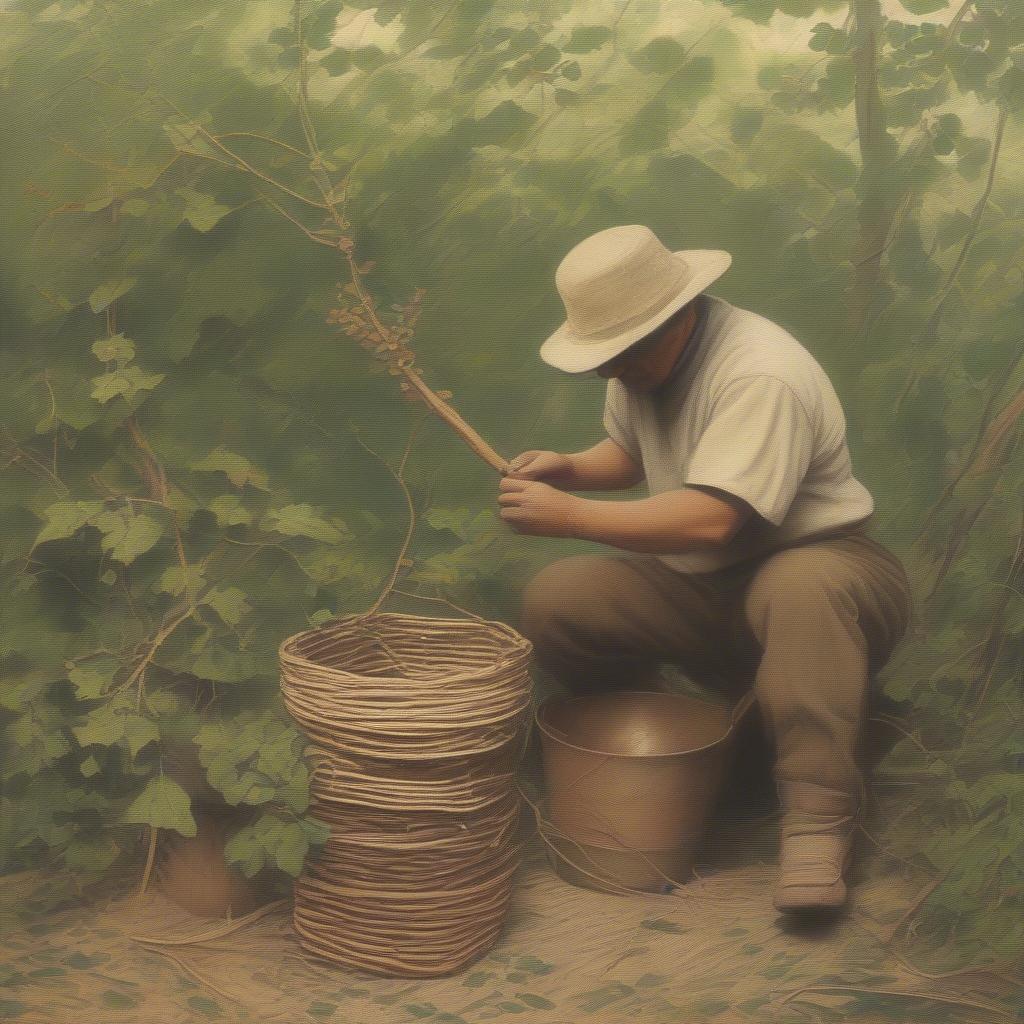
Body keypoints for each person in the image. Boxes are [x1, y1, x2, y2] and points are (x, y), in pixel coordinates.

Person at [498, 224, 912, 912]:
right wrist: (569, 467)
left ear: (677, 315)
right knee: (559, 598)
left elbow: (713, 517)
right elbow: (631, 454)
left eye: (618, 353)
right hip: (705, 582)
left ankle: (817, 816)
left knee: (800, 588)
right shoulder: (644, 362)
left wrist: (568, 515)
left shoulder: (759, 371)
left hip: (826, 570)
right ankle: (688, 752)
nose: (607, 369)